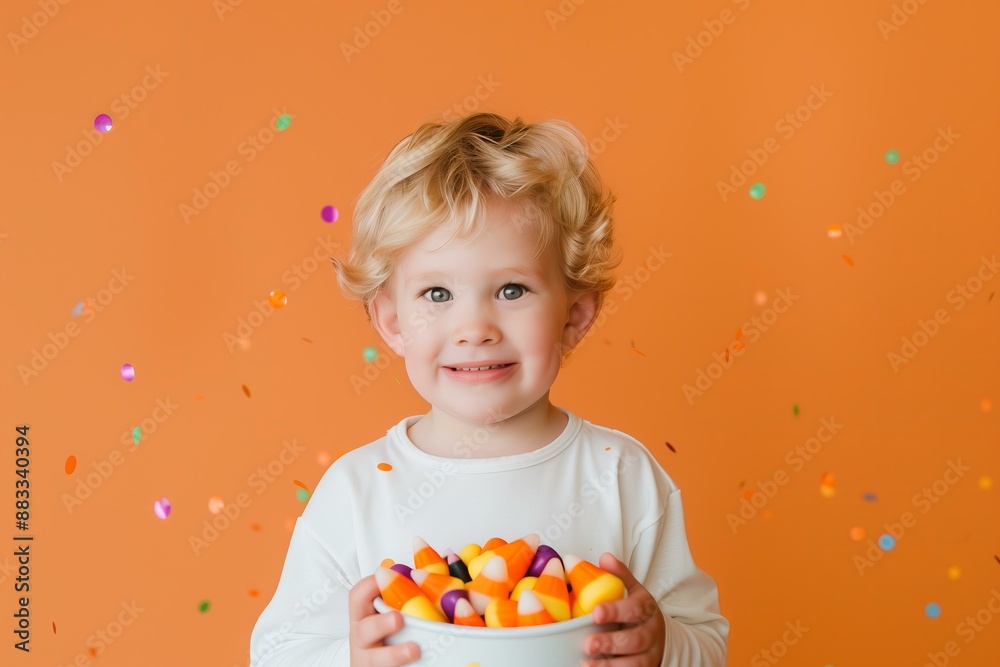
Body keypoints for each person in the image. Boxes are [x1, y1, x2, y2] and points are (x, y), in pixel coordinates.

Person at [249, 112, 729, 666]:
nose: (475, 327)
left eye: (510, 288)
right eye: (436, 294)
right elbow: (278, 653)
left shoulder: (621, 474)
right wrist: (349, 661)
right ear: (392, 322)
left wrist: (662, 645)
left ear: (574, 315)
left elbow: (708, 647)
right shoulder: (357, 491)